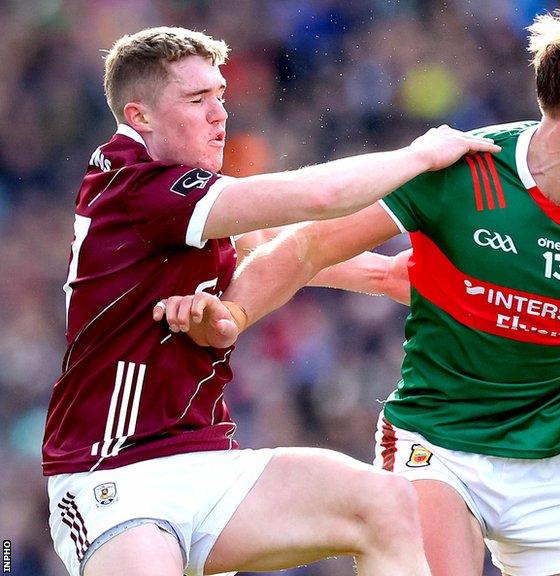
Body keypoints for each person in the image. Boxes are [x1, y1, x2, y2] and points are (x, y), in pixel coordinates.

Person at [165, 11, 560, 576]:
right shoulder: (459, 170)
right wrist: (236, 313)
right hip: (438, 448)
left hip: (557, 463)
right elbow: (310, 247)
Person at [42, 26, 500, 576]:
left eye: (220, 96)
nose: (219, 115)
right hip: (112, 475)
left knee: (384, 502)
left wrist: (385, 274)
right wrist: (420, 156)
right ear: (140, 117)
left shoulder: (183, 194)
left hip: (206, 463)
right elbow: (320, 198)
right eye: (196, 100)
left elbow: (271, 248)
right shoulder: (138, 188)